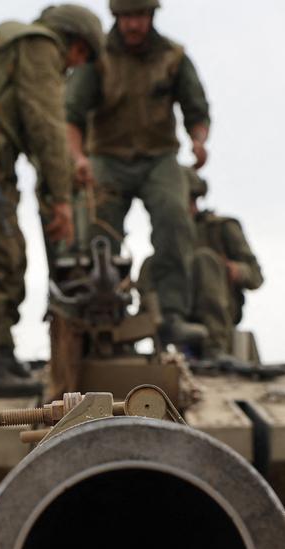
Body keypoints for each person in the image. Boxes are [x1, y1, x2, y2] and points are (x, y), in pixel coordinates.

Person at [0, 4, 104, 398]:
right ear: (74, 41)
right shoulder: (42, 46)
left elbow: (35, 131)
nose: (75, 66)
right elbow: (43, 123)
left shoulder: (22, 42)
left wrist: (66, 167)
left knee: (7, 246)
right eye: (81, 56)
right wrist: (61, 199)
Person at [65, 0, 211, 346]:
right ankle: (102, 318)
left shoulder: (173, 56)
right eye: (127, 17)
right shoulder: (97, 57)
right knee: (97, 235)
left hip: (159, 157)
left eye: (140, 16)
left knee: (175, 219)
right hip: (106, 157)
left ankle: (172, 314)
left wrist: (199, 140)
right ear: (116, 17)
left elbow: (197, 109)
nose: (133, 25)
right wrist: (78, 158)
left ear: (152, 16)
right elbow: (71, 114)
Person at [183, 167, 264, 359]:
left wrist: (234, 270)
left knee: (204, 260)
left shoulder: (221, 228)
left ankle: (214, 345)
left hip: (220, 313)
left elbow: (255, 275)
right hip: (180, 314)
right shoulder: (170, 235)